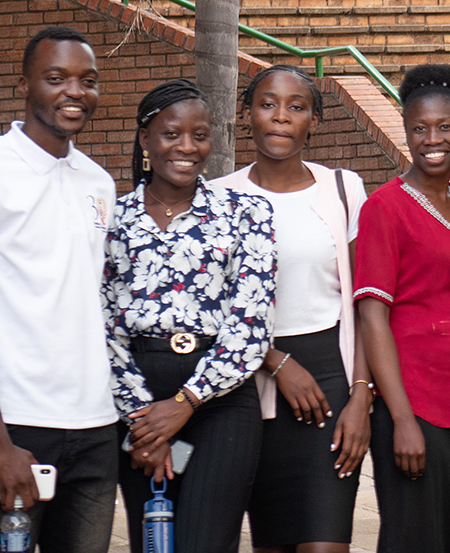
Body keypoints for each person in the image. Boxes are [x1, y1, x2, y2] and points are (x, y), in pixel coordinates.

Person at [0, 26, 119, 553]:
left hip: (93, 425)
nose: (75, 92)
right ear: (24, 85)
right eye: (56, 78)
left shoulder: (97, 182)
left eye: (88, 80)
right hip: (12, 424)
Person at [102, 79, 276, 553]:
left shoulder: (246, 213)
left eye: (199, 135)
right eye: (170, 134)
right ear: (144, 139)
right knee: (154, 544)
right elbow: (104, 326)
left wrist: (184, 403)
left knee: (205, 541)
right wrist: (143, 420)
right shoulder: (112, 220)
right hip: (137, 403)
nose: (186, 147)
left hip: (219, 403)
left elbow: (250, 324)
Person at [214, 64, 372, 553]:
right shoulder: (219, 198)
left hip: (328, 378)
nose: (280, 117)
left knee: (326, 543)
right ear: (246, 115)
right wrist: (276, 362)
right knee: (272, 544)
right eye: (267, 105)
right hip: (247, 386)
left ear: (314, 120)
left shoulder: (343, 190)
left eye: (296, 107)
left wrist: (361, 396)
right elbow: (213, 308)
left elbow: (363, 306)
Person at [354, 64, 450, 553]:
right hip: (413, 402)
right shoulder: (384, 207)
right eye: (419, 128)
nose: (433, 139)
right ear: (405, 131)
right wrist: (401, 418)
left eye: (446, 127)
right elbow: (372, 315)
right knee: (414, 538)